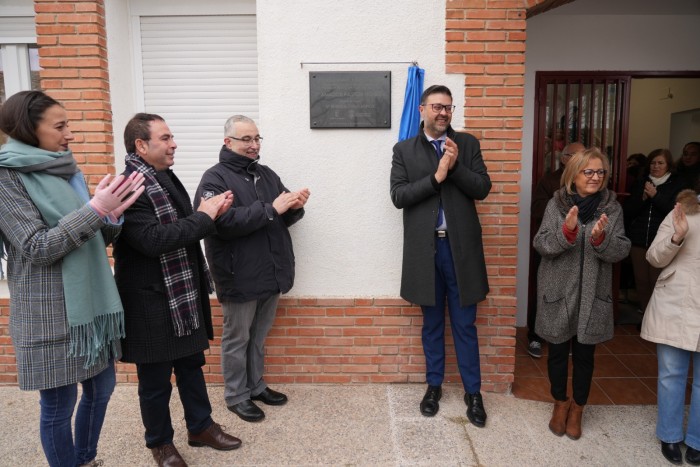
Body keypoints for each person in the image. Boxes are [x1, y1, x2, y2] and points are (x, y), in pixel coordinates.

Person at [0, 90, 145, 466]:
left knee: (102, 387)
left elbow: (93, 236)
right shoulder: (6, 178)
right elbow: (37, 246)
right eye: (60, 126)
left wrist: (111, 216)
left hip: (88, 310)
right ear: (29, 129)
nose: (70, 135)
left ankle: (85, 458)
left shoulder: (66, 170)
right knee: (59, 404)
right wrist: (95, 209)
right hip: (47, 314)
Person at [114, 113, 241, 466]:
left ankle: (200, 427)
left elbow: (185, 226)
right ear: (141, 145)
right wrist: (204, 217)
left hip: (181, 297)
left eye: (172, 137)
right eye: (166, 138)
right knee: (155, 382)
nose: (174, 144)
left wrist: (211, 214)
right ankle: (160, 444)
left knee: (191, 366)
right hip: (151, 300)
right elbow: (151, 241)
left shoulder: (163, 177)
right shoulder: (129, 186)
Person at [195, 115, 309, 423]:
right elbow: (223, 224)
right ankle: (236, 395)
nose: (254, 144)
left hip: (270, 271)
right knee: (237, 339)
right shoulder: (214, 179)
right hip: (238, 273)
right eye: (246, 139)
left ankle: (256, 386)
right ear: (228, 142)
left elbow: (279, 216)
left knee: (258, 336)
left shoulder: (266, 174)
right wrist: (272, 209)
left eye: (257, 138)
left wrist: (294, 207)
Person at [389, 85, 491, 427]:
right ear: (422, 110)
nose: (443, 112)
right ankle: (433, 386)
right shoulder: (404, 150)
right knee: (431, 325)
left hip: (460, 252)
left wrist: (455, 165)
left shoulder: (468, 144)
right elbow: (399, 196)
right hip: (425, 250)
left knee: (465, 325)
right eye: (437, 106)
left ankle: (472, 393)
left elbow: (482, 188)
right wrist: (437, 177)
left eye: (448, 107)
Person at [534, 148, 630, 440]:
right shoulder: (556, 205)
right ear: (573, 174)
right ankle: (560, 402)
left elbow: (622, 249)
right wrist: (567, 232)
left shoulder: (611, 208)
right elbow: (542, 243)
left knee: (586, 355)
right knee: (558, 353)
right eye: (588, 171)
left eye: (600, 172)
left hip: (592, 294)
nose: (595, 177)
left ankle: (578, 408)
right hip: (559, 292)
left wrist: (601, 239)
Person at [640, 189, 700, 465]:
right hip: (676, 303)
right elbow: (654, 257)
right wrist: (677, 236)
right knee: (671, 374)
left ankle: (697, 440)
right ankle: (670, 436)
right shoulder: (682, 210)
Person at [528, 142, 585, 358]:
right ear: (564, 159)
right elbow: (536, 209)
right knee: (544, 292)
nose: (582, 161)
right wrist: (565, 211)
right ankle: (535, 337)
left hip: (578, 249)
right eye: (576, 156)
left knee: (573, 295)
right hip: (551, 245)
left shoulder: (588, 181)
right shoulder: (550, 180)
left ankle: (567, 339)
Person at [624, 149, 687, 313]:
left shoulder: (677, 184)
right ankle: (645, 315)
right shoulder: (640, 182)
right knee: (641, 281)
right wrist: (643, 199)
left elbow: (675, 212)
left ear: (668, 165)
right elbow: (629, 211)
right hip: (638, 239)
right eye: (652, 162)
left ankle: (657, 317)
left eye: (660, 163)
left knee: (657, 281)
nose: (655, 166)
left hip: (662, 241)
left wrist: (655, 195)